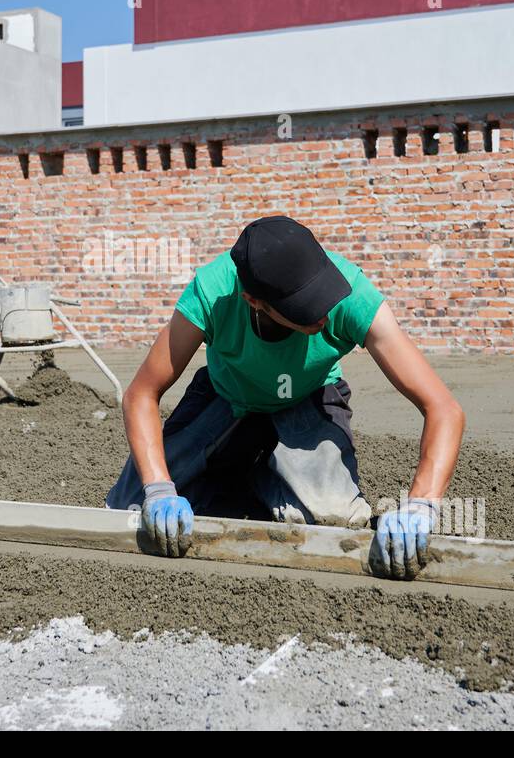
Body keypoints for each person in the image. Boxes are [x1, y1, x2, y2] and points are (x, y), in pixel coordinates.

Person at [108, 215, 465, 579]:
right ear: (254, 301)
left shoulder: (352, 294)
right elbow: (141, 394)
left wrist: (422, 504)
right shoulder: (213, 293)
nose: (322, 311)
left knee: (332, 520)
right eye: (304, 306)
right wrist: (158, 488)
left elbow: (443, 408)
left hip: (307, 398)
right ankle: (242, 476)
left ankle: (263, 479)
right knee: (130, 509)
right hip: (226, 396)